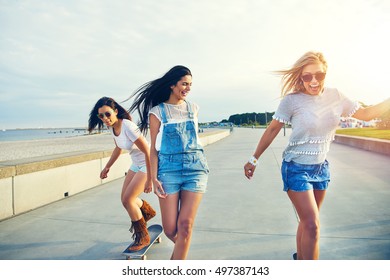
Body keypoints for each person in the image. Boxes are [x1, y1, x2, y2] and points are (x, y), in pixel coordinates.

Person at [243, 51, 390, 260]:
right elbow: (273, 129)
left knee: (307, 222)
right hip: (295, 168)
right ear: (300, 78)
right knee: (312, 224)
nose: (313, 81)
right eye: (307, 76)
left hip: (321, 168)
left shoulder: (336, 96)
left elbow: (365, 114)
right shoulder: (292, 101)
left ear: (325, 74)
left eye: (319, 76)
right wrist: (253, 158)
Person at [129, 65, 209, 260]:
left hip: (195, 169)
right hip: (168, 172)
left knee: (185, 227)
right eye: (184, 84)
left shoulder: (194, 108)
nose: (188, 88)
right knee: (170, 230)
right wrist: (154, 179)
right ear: (173, 85)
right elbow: (154, 150)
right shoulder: (157, 112)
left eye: (190, 85)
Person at [88, 97, 156, 251]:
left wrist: (150, 180)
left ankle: (143, 236)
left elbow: (148, 151)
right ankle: (147, 212)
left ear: (116, 111)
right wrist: (107, 167)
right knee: (124, 199)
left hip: (147, 162)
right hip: (137, 163)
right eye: (101, 116)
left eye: (107, 114)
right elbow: (118, 148)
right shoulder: (111, 127)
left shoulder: (128, 126)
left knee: (128, 199)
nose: (105, 118)